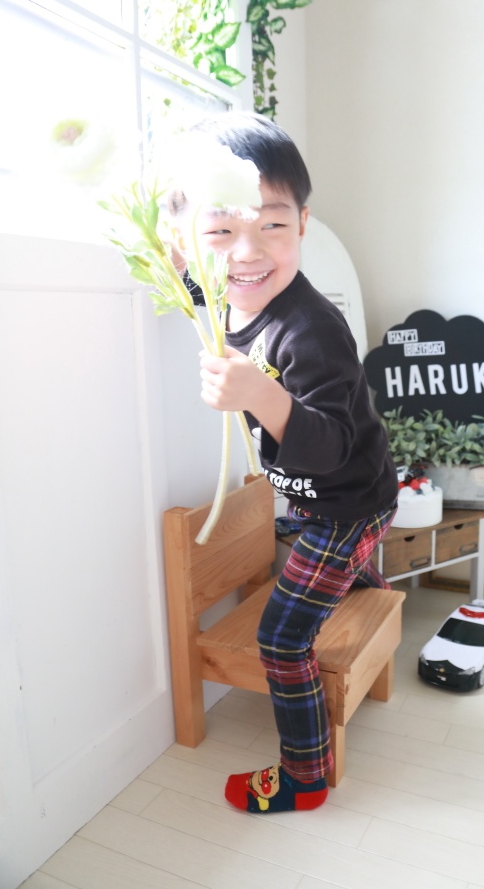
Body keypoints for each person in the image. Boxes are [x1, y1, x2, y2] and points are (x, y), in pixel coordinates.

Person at [169, 111, 398, 814]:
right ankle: (354, 572)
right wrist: (178, 268)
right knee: (306, 544)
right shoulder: (231, 295)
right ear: (189, 238)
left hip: (348, 501)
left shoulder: (312, 331)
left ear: (302, 223)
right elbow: (204, 291)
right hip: (313, 502)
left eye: (272, 224)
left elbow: (329, 450)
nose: (246, 252)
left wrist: (260, 395)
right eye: (218, 232)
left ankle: (303, 777)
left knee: (281, 638)